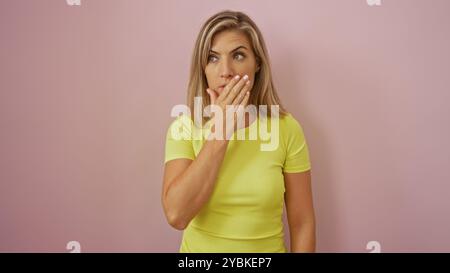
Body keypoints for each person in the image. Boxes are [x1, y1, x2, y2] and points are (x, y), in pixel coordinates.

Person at [162, 10, 315, 253]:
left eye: (239, 55)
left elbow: (302, 223)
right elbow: (177, 215)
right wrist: (220, 132)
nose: (226, 71)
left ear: (257, 65)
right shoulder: (183, 128)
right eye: (213, 58)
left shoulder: (286, 128)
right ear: (203, 68)